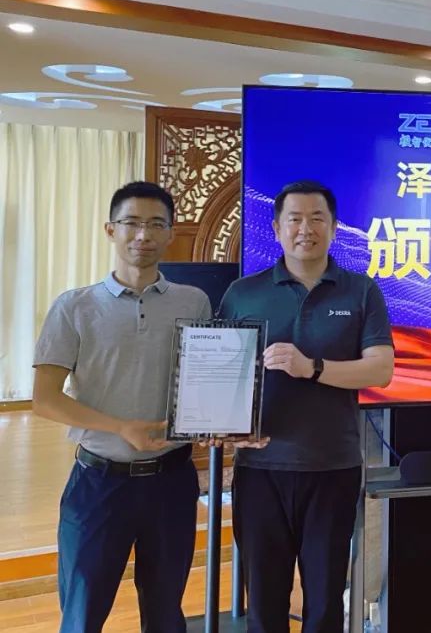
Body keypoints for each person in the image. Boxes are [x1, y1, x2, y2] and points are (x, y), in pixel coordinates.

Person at [32, 181, 211, 632]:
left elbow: (206, 382)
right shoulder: (74, 306)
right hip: (98, 484)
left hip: (172, 482)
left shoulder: (194, 302)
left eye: (156, 224)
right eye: (131, 223)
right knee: (82, 614)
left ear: (170, 233)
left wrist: (219, 422)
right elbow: (45, 399)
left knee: (166, 613)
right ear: (110, 230)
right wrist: (120, 427)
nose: (143, 235)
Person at [220, 180, 394, 632]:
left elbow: (380, 370)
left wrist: (312, 367)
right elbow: (221, 375)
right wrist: (218, 425)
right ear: (276, 228)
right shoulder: (242, 293)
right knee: (264, 602)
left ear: (334, 228)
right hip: (260, 470)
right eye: (294, 219)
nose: (305, 229)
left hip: (332, 467)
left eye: (317, 219)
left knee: (324, 602)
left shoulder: (361, 291)